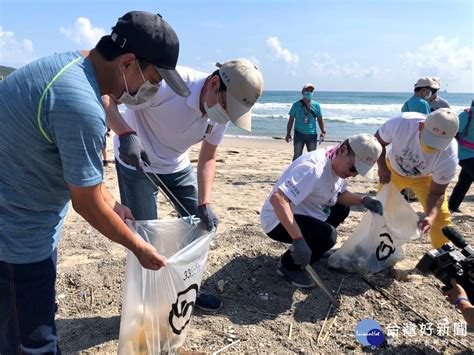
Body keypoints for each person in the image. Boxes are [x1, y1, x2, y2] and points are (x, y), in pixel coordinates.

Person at [0, 11, 191, 353]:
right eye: (154, 79)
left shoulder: (72, 69)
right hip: (17, 237)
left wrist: (115, 205)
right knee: (31, 342)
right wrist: (137, 246)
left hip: (25, 214)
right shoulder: (81, 107)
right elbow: (86, 203)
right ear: (128, 63)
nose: (154, 89)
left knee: (21, 320)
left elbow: (79, 173)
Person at [104, 58, 264, 309]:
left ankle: (188, 289)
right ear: (213, 83)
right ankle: (150, 301)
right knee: (146, 236)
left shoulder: (219, 117)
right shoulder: (168, 84)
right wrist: (125, 134)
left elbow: (208, 158)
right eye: (227, 106)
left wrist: (205, 201)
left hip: (176, 165)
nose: (226, 115)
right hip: (136, 162)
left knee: (200, 228)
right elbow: (108, 96)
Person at [260, 134, 383, 288]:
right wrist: (298, 240)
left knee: (342, 209)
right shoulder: (313, 168)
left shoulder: (337, 163)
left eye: (358, 172)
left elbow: (340, 195)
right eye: (353, 168)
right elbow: (278, 199)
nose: (353, 174)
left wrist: (364, 200)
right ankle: (288, 266)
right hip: (277, 220)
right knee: (329, 236)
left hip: (305, 212)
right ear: (343, 150)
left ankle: (313, 248)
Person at [375, 108, 459, 248]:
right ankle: (375, 243)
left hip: (424, 178)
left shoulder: (449, 156)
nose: (431, 147)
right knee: (381, 208)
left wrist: (430, 217)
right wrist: (382, 166)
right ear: (421, 126)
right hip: (392, 170)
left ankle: (443, 254)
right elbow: (377, 142)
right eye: (429, 140)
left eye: (438, 144)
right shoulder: (401, 123)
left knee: (440, 217)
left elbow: (437, 193)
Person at [285, 83, 326, 161]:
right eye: (307, 90)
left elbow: (320, 119)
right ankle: (294, 172)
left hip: (312, 135)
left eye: (311, 91)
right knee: (297, 156)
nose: (309, 92)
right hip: (299, 134)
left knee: (312, 157)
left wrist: (323, 131)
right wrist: (288, 133)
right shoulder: (296, 105)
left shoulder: (316, 105)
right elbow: (291, 120)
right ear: (302, 92)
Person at [448, 100, 474, 213]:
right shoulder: (467, 115)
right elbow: (452, 132)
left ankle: (452, 206)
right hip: (464, 154)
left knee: (465, 181)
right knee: (465, 180)